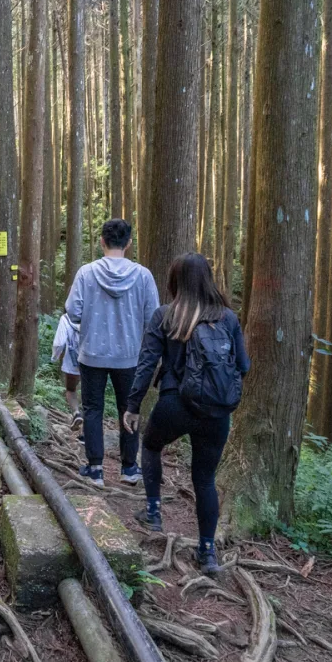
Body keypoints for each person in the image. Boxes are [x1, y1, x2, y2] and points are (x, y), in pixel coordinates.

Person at [123, 252, 250, 575]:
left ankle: (153, 511)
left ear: (175, 280)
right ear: (209, 279)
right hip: (217, 413)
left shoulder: (166, 316)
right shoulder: (228, 319)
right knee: (204, 479)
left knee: (151, 446)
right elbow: (244, 367)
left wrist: (133, 405)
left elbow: (147, 363)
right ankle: (207, 553)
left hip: (174, 405)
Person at [64, 218, 160, 488]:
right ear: (129, 243)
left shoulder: (86, 273)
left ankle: (95, 469)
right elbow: (153, 318)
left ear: (102, 241)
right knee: (128, 409)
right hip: (130, 356)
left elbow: (72, 311)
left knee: (93, 408)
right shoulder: (143, 275)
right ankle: (129, 468)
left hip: (92, 352)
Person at [50, 313, 83, 432]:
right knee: (92, 397)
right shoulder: (95, 313)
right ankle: (85, 434)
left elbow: (59, 342)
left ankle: (76, 413)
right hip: (93, 361)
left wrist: (54, 357)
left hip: (72, 363)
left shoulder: (66, 318)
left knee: (71, 390)